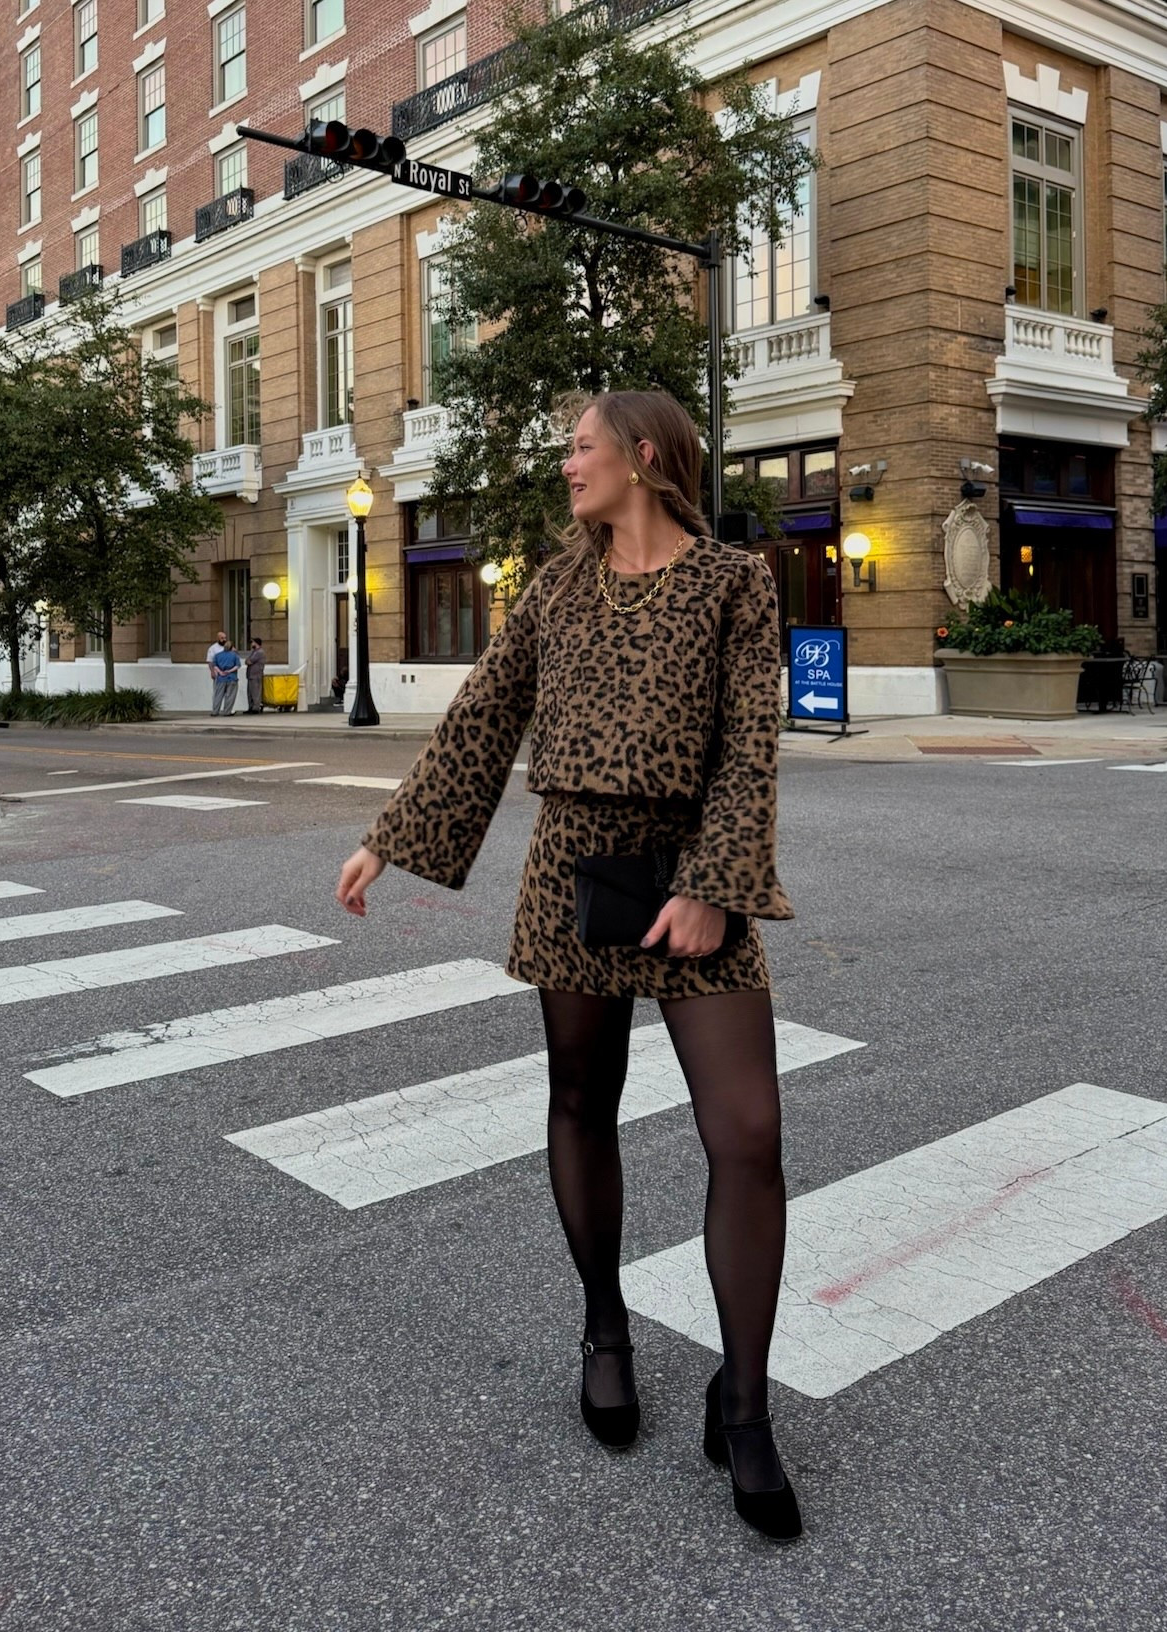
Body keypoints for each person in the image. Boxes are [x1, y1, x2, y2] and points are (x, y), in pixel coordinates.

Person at [336, 390, 801, 1540]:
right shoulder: (554, 587)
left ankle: (741, 1403)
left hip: (696, 876)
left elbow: (752, 742)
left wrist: (713, 882)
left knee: (747, 1133)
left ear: (643, 457)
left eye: (579, 446)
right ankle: (605, 1325)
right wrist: (389, 836)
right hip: (572, 868)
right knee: (582, 1098)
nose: (565, 467)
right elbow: (483, 718)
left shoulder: (737, 582)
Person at [210, 639, 240, 716]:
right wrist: (229, 671)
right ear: (232, 647)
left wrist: (220, 672)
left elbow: (214, 665)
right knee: (230, 695)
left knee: (218, 695)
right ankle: (227, 711)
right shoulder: (234, 655)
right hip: (232, 677)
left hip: (221, 678)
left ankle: (215, 711)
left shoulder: (218, 655)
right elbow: (237, 666)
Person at [206, 630, 229, 717]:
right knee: (217, 692)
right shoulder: (213, 648)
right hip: (218, 674)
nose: (224, 639)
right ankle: (215, 710)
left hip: (228, 673)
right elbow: (210, 661)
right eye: (222, 638)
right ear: (218, 638)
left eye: (225, 638)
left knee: (229, 692)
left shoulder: (227, 647)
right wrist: (212, 672)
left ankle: (228, 710)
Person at [245, 635, 266, 715]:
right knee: (250, 692)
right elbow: (247, 661)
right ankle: (250, 707)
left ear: (256, 643)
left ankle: (256, 708)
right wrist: (248, 661)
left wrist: (248, 661)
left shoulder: (260, 652)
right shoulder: (253, 652)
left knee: (255, 692)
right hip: (250, 675)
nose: (251, 644)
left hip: (256, 675)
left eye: (252, 642)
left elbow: (250, 661)